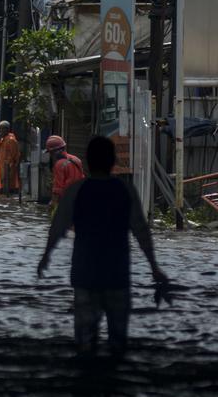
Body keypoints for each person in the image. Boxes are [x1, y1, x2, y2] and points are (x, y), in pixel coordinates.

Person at [39, 136, 169, 359]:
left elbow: (57, 228)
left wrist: (45, 257)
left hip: (84, 275)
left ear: (88, 162)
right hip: (117, 275)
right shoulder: (124, 190)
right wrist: (154, 267)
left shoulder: (76, 191)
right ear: (113, 161)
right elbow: (141, 231)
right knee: (118, 344)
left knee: (84, 343)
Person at [46, 135, 85, 213]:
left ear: (53, 152)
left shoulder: (59, 164)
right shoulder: (76, 159)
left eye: (50, 153)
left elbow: (58, 188)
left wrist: (52, 203)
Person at [0, 120, 20, 194]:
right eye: (0, 129)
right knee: (1, 184)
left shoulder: (11, 140)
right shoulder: (1, 139)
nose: (0, 131)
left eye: (2, 129)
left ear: (7, 129)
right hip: (1, 165)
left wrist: (8, 164)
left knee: (8, 185)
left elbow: (13, 154)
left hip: (8, 166)